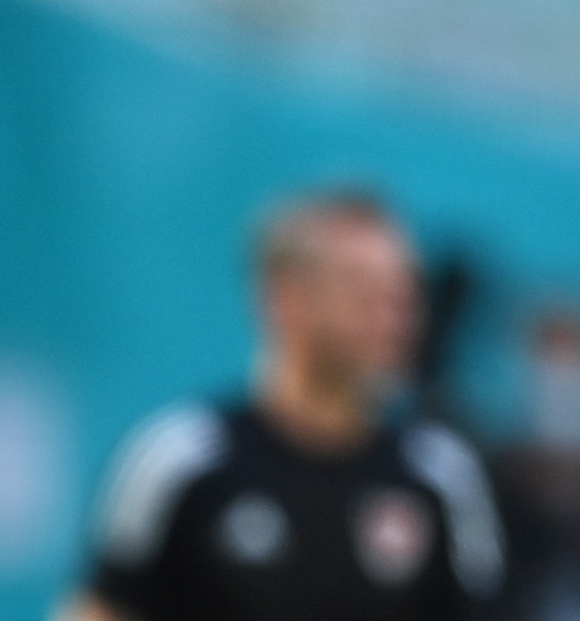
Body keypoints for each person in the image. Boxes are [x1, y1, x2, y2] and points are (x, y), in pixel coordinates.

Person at [53, 191, 505, 621]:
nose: (394, 316)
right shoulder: (183, 463)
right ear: (285, 298)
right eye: (362, 288)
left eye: (402, 293)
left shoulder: (442, 477)